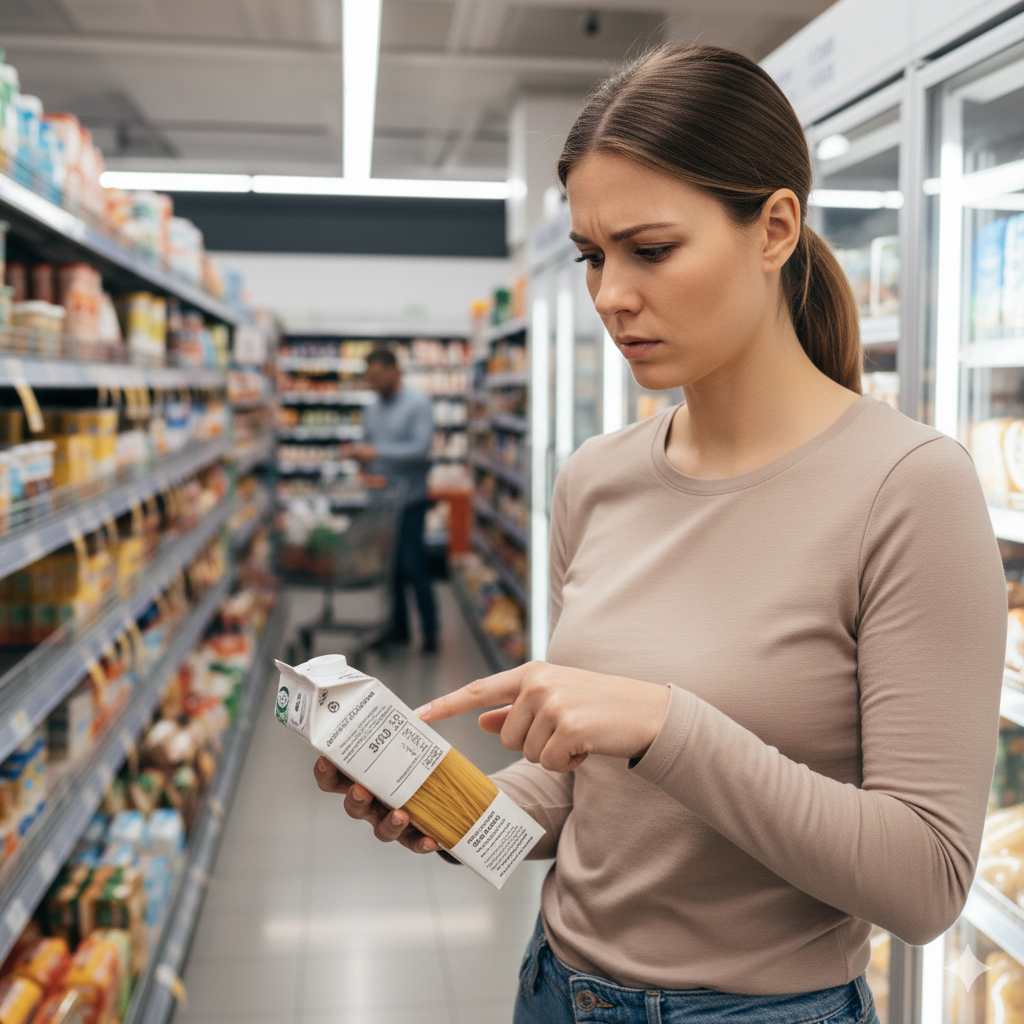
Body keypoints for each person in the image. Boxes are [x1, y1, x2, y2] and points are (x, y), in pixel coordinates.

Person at [315, 44, 1007, 1024]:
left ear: (774, 229)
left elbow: (924, 881)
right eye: (592, 257)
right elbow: (581, 790)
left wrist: (664, 725)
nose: (609, 295)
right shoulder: (594, 479)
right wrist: (453, 805)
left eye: (650, 250)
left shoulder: (909, 487)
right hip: (555, 987)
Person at [343, 346, 439, 653]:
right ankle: (399, 629)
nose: (372, 382)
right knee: (389, 569)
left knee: (415, 565)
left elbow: (421, 449)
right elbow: (367, 443)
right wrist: (358, 454)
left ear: (394, 370)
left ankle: (430, 632)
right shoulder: (371, 408)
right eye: (368, 377)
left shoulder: (418, 404)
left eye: (377, 376)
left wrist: (377, 452)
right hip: (380, 502)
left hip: (410, 500)